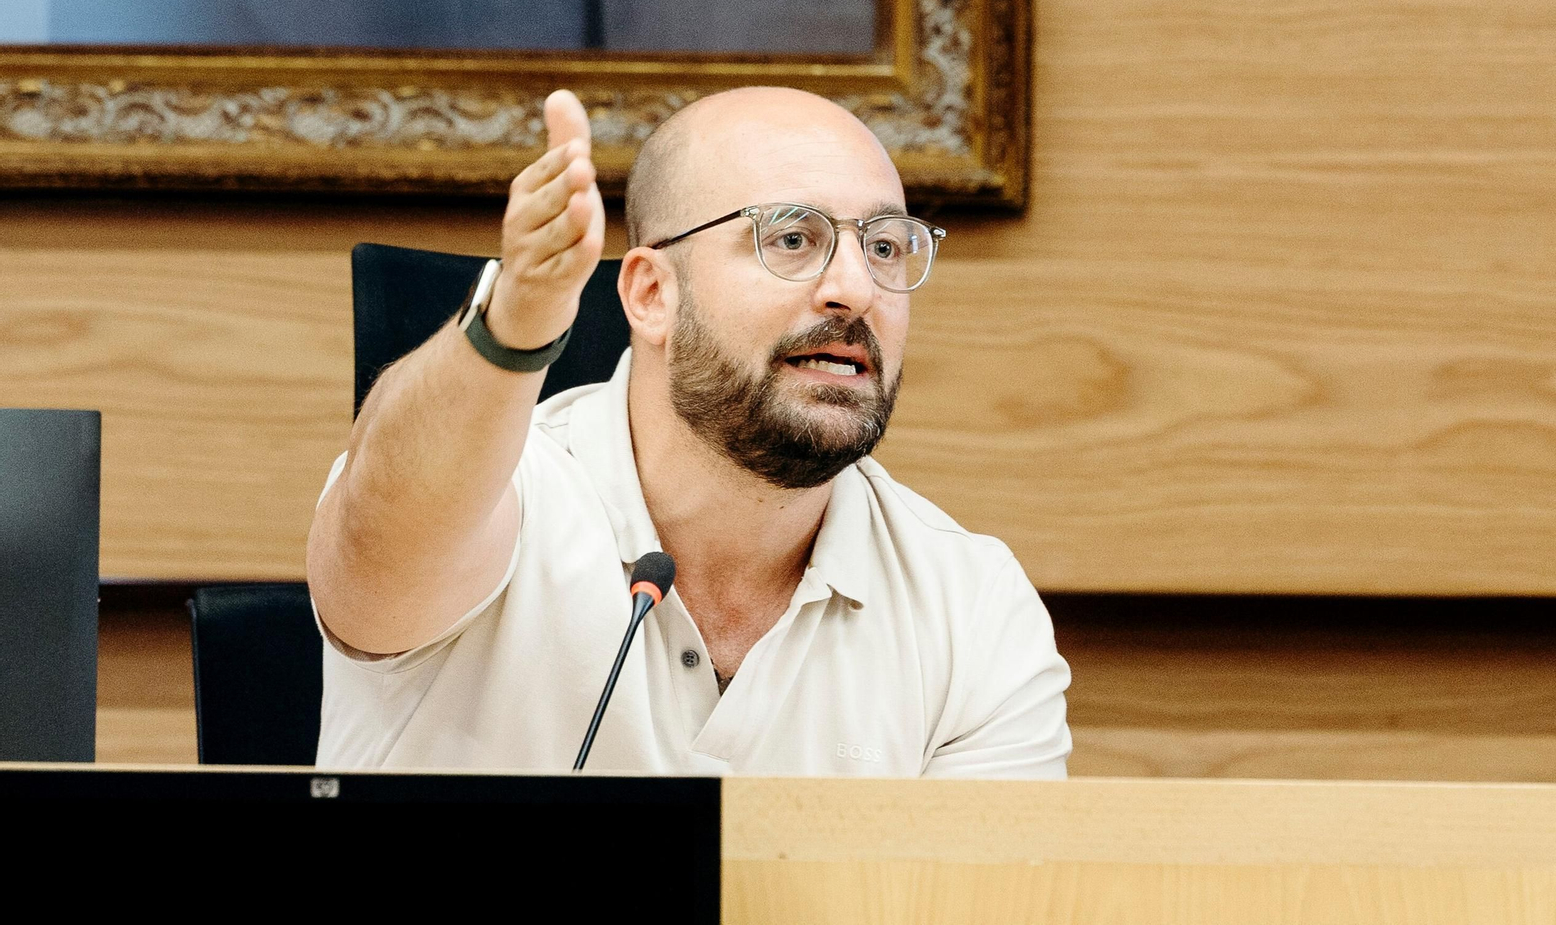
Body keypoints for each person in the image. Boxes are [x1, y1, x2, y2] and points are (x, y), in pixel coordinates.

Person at [307, 87, 1070, 776]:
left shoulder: (972, 607)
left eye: (883, 245)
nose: (855, 290)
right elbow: (378, 530)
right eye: (793, 238)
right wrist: (515, 321)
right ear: (650, 293)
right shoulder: (505, 501)